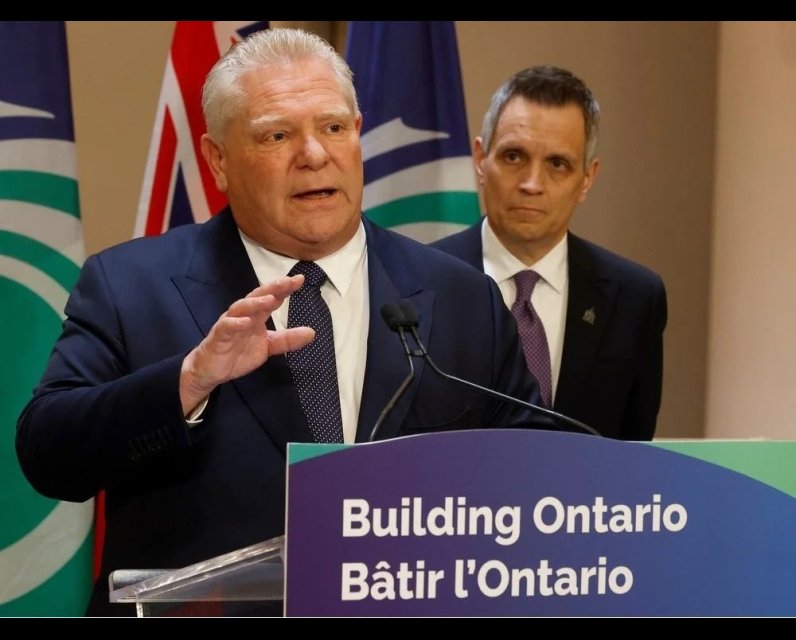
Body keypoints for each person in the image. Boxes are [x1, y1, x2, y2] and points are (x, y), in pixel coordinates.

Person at [15, 29, 545, 616]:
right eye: (277, 135)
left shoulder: (461, 295)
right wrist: (188, 382)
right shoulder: (131, 286)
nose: (314, 154)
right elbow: (48, 454)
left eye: (333, 128)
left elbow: (535, 472)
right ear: (218, 160)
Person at [432, 65, 667, 441]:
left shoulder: (635, 298)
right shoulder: (417, 284)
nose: (531, 184)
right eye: (513, 157)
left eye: (557, 164)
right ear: (480, 159)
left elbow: (633, 453)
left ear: (586, 179)